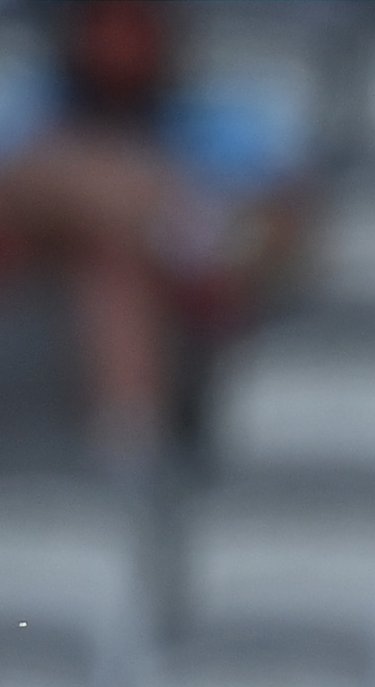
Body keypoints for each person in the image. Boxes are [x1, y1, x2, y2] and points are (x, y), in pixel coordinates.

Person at [0, 0, 280, 467]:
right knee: (84, 210)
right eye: (104, 29)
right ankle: (170, 224)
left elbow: (268, 242)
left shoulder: (222, 125)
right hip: (38, 292)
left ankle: (129, 453)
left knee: (112, 263)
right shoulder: (24, 113)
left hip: (181, 309)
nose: (119, 48)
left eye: (135, 31)